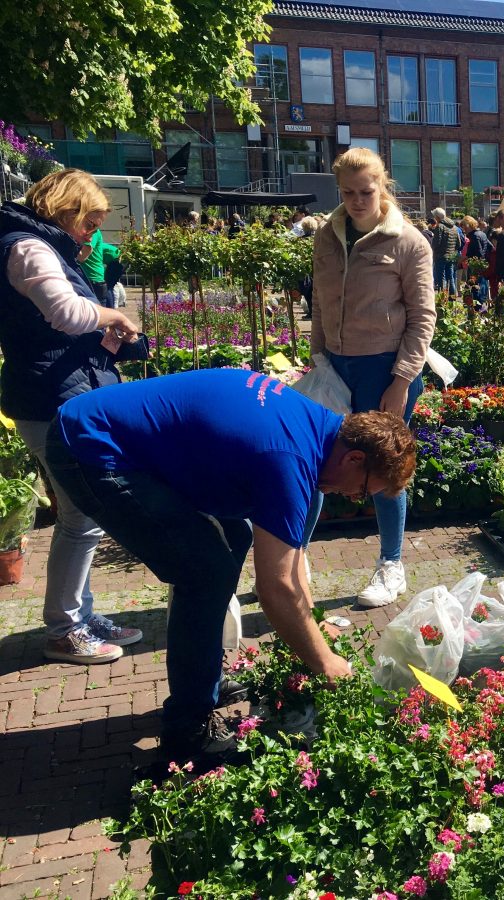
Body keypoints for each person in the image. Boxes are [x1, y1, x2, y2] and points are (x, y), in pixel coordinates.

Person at [44, 369, 415, 763]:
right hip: (91, 448)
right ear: (354, 457)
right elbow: (276, 589)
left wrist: (314, 625)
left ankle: (205, 680)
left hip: (114, 434)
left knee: (233, 538)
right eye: (361, 490)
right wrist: (324, 663)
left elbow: (291, 565)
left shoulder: (316, 428)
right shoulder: (288, 459)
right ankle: (187, 732)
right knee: (205, 571)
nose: (351, 497)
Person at [0, 169, 148, 664]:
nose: (92, 233)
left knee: (82, 514)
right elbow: (66, 314)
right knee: (81, 515)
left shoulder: (45, 246)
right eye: (90, 222)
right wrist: (114, 317)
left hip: (61, 394)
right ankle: (64, 628)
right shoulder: (29, 248)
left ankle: (80, 614)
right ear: (66, 210)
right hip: (49, 401)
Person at [308, 147, 435, 608]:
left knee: (384, 469)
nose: (359, 201)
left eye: (367, 191)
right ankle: (294, 555)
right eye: (348, 192)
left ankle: (391, 564)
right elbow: (320, 303)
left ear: (383, 186)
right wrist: (317, 357)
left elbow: (423, 317)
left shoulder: (408, 242)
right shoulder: (327, 235)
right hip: (335, 366)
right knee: (317, 460)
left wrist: (401, 379)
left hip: (385, 369)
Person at [80, 227, 120, 308]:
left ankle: (111, 309)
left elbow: (83, 255)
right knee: (109, 288)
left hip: (94, 277)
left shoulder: (92, 231)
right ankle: (111, 309)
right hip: (95, 276)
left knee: (109, 287)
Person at [429, 207, 461, 295]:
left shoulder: (440, 226)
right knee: (450, 278)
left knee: (441, 279)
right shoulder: (454, 227)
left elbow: (436, 243)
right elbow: (459, 243)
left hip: (441, 256)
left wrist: (433, 250)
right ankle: (452, 298)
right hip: (451, 256)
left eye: (435, 217)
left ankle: (442, 300)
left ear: (437, 217)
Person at [462, 215, 492, 304]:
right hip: (483, 265)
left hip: (475, 267)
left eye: (464, 225)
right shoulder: (482, 234)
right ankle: (481, 308)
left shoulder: (474, 236)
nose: (463, 228)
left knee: (475, 290)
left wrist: (466, 258)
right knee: (482, 288)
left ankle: (476, 310)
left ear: (469, 225)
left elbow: (478, 253)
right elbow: (490, 247)